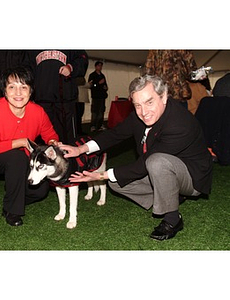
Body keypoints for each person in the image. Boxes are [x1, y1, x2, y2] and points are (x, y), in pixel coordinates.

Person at [60, 75, 213, 241]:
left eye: (149, 102)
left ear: (164, 96)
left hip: (192, 176)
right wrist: (81, 148)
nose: (144, 112)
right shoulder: (140, 116)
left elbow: (145, 163)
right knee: (117, 182)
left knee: (155, 162)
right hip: (162, 169)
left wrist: (100, 175)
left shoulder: (179, 123)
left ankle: (173, 219)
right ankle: (172, 195)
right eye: (137, 105)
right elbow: (115, 134)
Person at [0, 67, 59, 227]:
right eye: (12, 87)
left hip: (22, 159)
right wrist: (21, 142)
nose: (18, 93)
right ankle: (13, 211)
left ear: (31, 91)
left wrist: (54, 143)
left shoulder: (38, 111)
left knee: (41, 190)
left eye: (23, 87)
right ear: (4, 91)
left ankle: (11, 201)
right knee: (17, 157)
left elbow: (50, 134)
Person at [29, 50, 88, 144]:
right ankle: (44, 158)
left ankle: (69, 157)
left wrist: (71, 67)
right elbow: (27, 67)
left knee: (68, 137)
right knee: (42, 136)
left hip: (65, 99)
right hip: (42, 99)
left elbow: (82, 59)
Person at [88, 61, 108, 132]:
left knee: (101, 111)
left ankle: (99, 125)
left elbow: (105, 85)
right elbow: (91, 85)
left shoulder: (102, 76)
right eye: (99, 66)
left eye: (101, 66)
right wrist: (98, 83)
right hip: (95, 96)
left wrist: (105, 87)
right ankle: (93, 126)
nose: (100, 67)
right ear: (96, 66)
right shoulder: (92, 75)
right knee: (95, 111)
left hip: (102, 96)